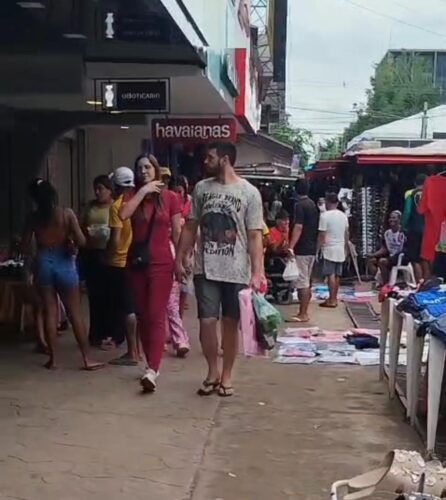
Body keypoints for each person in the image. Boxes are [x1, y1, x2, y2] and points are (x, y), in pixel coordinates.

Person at [176, 141, 264, 398]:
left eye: (210, 158)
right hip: (205, 269)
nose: (205, 162)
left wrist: (257, 272)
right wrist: (180, 257)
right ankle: (212, 371)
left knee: (230, 324)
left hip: (236, 271)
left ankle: (226, 375)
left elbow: (255, 235)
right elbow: (190, 226)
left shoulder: (249, 192)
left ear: (225, 159)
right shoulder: (201, 189)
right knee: (206, 322)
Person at [22, 179, 103, 370]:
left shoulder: (33, 218)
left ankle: (54, 359)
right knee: (75, 312)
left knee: (50, 311)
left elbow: (25, 246)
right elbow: (82, 241)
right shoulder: (66, 214)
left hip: (44, 263)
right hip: (65, 263)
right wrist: (70, 241)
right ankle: (87, 359)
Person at [119, 154, 182, 393]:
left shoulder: (170, 197)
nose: (143, 171)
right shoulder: (132, 195)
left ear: (156, 170)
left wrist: (181, 261)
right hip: (137, 262)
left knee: (156, 314)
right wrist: (143, 191)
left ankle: (153, 369)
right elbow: (123, 215)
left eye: (147, 167)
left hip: (162, 262)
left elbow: (177, 231)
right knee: (143, 315)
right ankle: (150, 362)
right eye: (139, 168)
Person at [105, 167, 139, 366]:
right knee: (134, 305)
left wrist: (106, 255)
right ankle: (137, 349)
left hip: (119, 262)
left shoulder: (117, 206)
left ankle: (132, 352)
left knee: (127, 307)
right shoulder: (138, 202)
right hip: (137, 259)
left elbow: (115, 240)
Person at [81, 175, 114, 348]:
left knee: (109, 295)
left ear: (109, 190)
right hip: (92, 253)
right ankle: (96, 333)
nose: (98, 192)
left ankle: (110, 332)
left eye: (101, 188)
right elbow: (81, 225)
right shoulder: (90, 207)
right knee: (94, 296)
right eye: (96, 189)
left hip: (109, 253)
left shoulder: (115, 206)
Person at [288, 179, 319, 322]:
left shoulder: (299, 205)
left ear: (296, 190)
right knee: (306, 280)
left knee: (302, 282)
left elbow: (298, 227)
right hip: (311, 247)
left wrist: (291, 246)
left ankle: (303, 313)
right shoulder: (312, 204)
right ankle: (303, 311)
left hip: (302, 248)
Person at [318, 192, 349, 308]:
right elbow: (346, 234)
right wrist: (346, 248)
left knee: (330, 274)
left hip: (329, 248)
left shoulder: (324, 216)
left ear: (327, 202)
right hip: (340, 248)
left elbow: (322, 234)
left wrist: (318, 248)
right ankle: (334, 298)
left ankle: (331, 300)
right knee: (337, 275)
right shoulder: (343, 216)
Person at [368, 211, 406, 285]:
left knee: (382, 261)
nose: (391, 219)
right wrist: (373, 254)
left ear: (399, 220)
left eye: (394, 218)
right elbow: (384, 248)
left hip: (400, 256)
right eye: (390, 218)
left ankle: (386, 284)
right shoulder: (387, 233)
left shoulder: (403, 232)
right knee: (371, 261)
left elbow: (405, 248)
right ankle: (380, 280)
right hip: (390, 256)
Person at [402, 174, 427, 282]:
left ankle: (419, 282)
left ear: (415, 183)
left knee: (415, 259)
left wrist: (404, 226)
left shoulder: (410, 194)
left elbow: (407, 212)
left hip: (415, 229)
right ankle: (427, 282)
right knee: (426, 258)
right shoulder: (431, 193)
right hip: (428, 230)